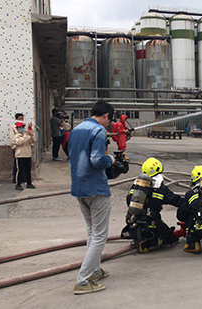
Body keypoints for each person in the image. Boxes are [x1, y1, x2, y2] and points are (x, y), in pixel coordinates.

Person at [68, 100, 116, 295]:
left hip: (79, 186)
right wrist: (111, 159)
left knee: (91, 232)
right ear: (105, 116)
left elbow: (72, 156)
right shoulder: (98, 131)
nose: (108, 124)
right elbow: (97, 160)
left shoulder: (76, 130)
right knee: (99, 236)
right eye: (109, 120)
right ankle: (82, 280)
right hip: (96, 188)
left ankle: (94, 271)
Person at [121, 157, 184, 253]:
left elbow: (128, 200)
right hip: (151, 224)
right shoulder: (159, 187)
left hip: (131, 221)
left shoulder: (136, 185)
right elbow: (176, 201)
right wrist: (189, 202)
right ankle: (148, 242)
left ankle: (141, 238)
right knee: (171, 238)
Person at [11, 121, 37, 190]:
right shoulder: (16, 136)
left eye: (22, 127)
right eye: (20, 127)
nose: (22, 128)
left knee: (28, 170)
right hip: (20, 155)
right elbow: (19, 142)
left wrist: (31, 135)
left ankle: (29, 183)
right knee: (20, 170)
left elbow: (33, 141)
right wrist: (26, 136)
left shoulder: (27, 135)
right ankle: (18, 184)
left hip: (27, 154)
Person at [9, 113, 26, 184]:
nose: (21, 120)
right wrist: (14, 147)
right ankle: (15, 178)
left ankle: (23, 177)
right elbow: (12, 138)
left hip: (23, 148)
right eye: (20, 119)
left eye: (22, 119)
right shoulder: (13, 128)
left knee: (24, 163)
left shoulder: (23, 127)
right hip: (17, 147)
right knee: (17, 164)